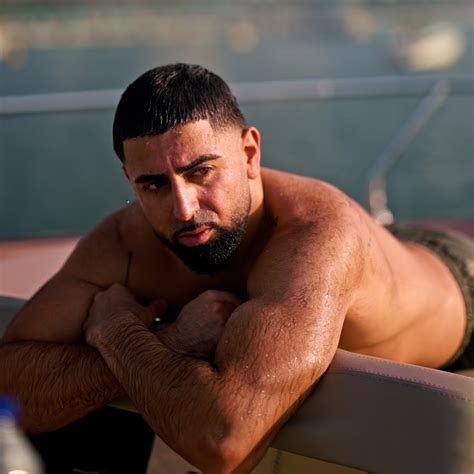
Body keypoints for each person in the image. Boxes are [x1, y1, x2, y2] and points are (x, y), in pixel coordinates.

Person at [0, 63, 472, 473]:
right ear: (131, 180)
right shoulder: (124, 242)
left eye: (201, 172)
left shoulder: (317, 237)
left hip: (458, 285)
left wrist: (119, 334)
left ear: (249, 154)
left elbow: (223, 444)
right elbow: (8, 383)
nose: (184, 209)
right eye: (154, 186)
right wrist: (172, 341)